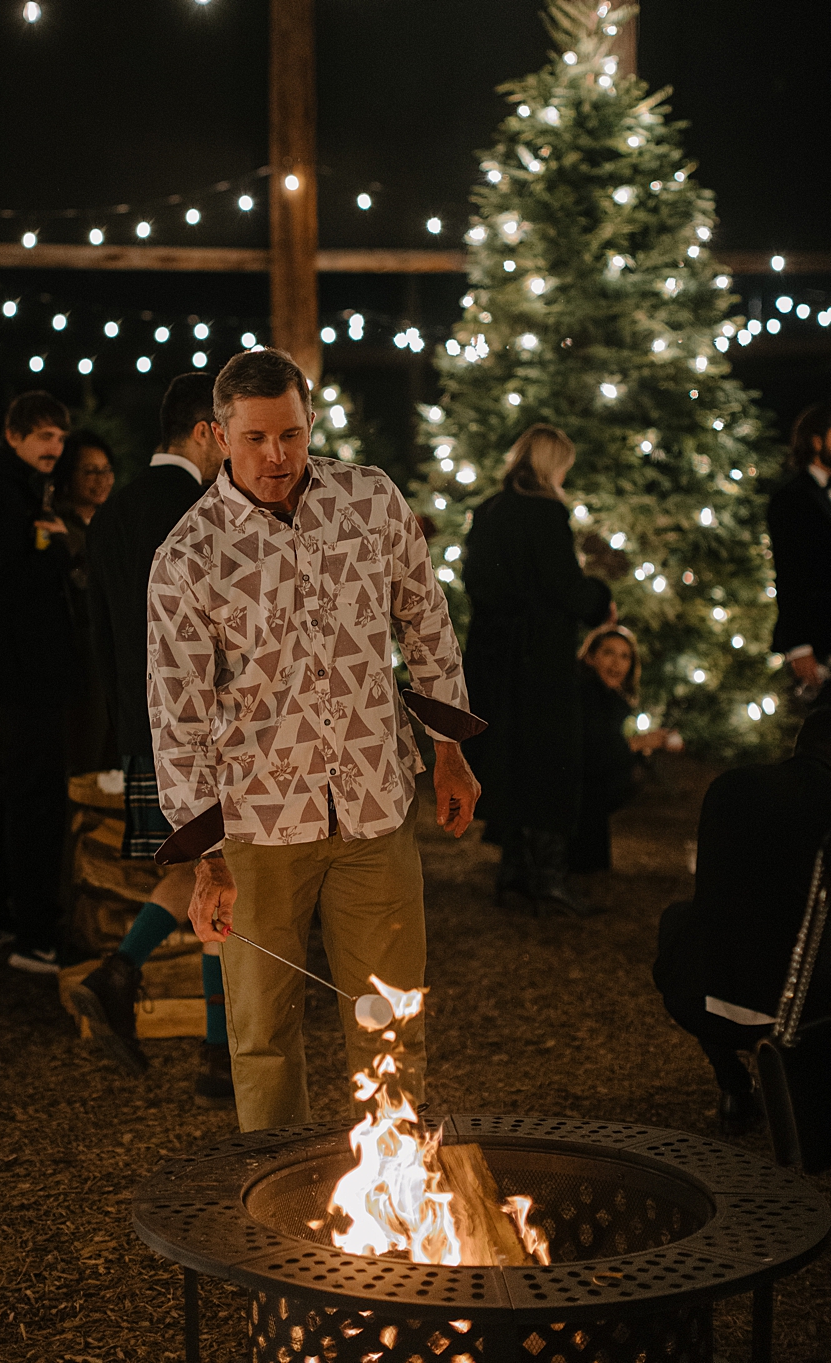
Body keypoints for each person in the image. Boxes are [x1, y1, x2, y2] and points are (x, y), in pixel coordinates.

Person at [145, 347, 481, 1133]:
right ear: (219, 435)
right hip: (259, 831)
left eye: (291, 434)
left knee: (392, 1018)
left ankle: (400, 1196)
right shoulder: (188, 558)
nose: (277, 456)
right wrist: (206, 857)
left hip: (375, 808)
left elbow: (425, 620)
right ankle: (278, 1211)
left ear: (309, 423)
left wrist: (450, 749)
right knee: (262, 1032)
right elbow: (177, 711)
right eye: (256, 438)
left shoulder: (370, 500)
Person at [73, 373, 235, 1104]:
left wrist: (125, 732)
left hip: (145, 725)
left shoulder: (111, 516)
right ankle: (218, 1056)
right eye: (229, 432)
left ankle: (118, 971)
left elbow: (101, 639)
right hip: (213, 722)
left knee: (200, 868)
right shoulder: (212, 507)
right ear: (204, 430)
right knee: (226, 874)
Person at [458, 424, 614, 916]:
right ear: (553, 464)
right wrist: (601, 600)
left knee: (508, 758)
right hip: (539, 661)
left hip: (493, 657)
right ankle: (546, 875)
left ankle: (513, 868)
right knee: (550, 763)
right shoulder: (547, 514)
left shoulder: (488, 511)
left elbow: (474, 580)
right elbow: (564, 587)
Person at [654, 709, 831, 1133]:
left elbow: (710, 895)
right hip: (811, 1012)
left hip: (707, 1001)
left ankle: (733, 1085)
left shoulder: (734, 786)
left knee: (680, 919)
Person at [0, 391, 79, 974]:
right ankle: (35, 932)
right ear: (13, 436)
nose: (53, 448)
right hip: (24, 674)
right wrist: (58, 549)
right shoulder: (4, 497)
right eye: (42, 437)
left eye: (59, 437)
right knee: (33, 797)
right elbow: (12, 586)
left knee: (8, 790)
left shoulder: (10, 491)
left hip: (13, 672)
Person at [570, 624, 678, 874]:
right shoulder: (585, 694)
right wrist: (641, 742)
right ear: (591, 656)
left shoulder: (612, 699)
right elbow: (592, 753)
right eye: (609, 653)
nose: (616, 663)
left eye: (624, 656)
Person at [52, 432, 118, 774]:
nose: (100, 479)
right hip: (78, 656)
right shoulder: (57, 527)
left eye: (106, 470)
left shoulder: (111, 524)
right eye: (90, 471)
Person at [768, 402, 831, 702]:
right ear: (817, 441)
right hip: (819, 642)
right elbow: (790, 575)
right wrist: (799, 646)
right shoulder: (790, 500)